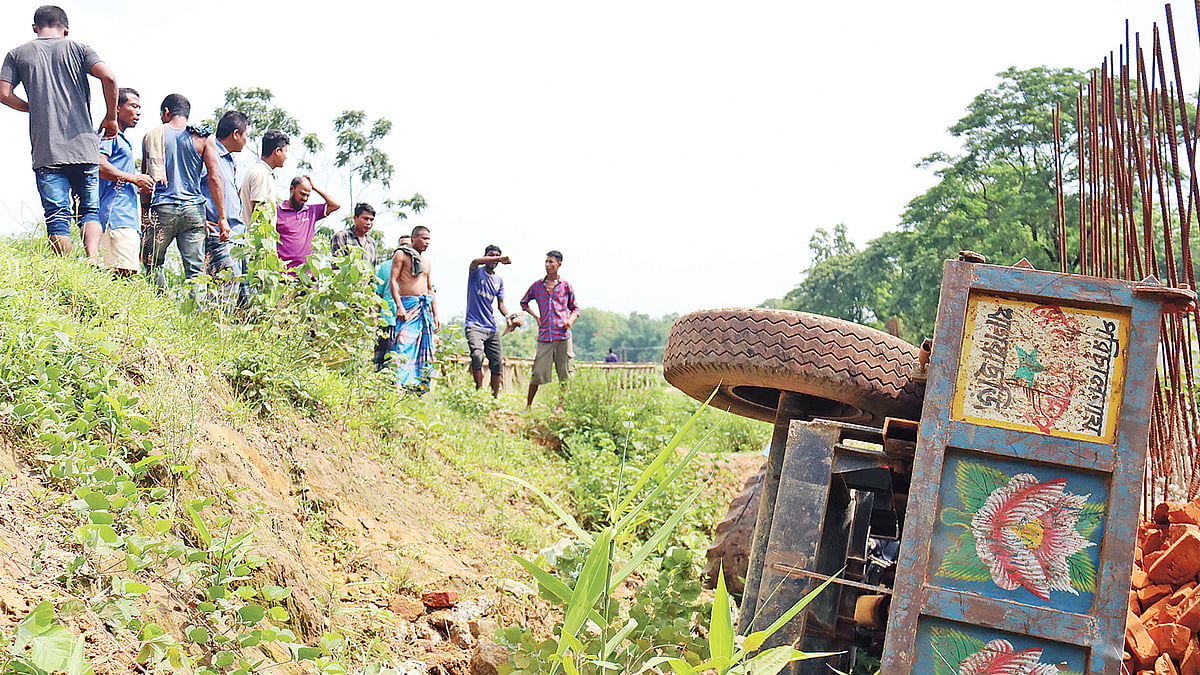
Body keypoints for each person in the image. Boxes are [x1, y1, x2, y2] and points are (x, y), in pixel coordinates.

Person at [0, 5, 118, 259]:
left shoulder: (17, 54)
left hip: (47, 150)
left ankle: (65, 266)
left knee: (57, 216)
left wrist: (32, 107)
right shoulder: (79, 49)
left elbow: (4, 93)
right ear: (66, 29)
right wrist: (111, 117)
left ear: (35, 27)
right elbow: (108, 77)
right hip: (84, 148)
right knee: (89, 211)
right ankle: (93, 260)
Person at [140, 93, 228, 297]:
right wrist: (222, 218)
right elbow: (214, 178)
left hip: (162, 208)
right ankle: (195, 316)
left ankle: (159, 305)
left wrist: (145, 213)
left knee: (152, 262)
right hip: (194, 211)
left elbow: (146, 182)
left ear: (166, 112)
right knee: (196, 272)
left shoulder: (152, 136)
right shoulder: (203, 139)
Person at [96, 87, 152, 277]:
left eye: (139, 107)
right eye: (133, 106)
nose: (138, 112)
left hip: (126, 217)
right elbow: (99, 165)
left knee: (125, 274)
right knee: (121, 276)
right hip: (116, 217)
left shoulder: (122, 140)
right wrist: (134, 179)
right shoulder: (109, 135)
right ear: (117, 108)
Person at [201, 111, 249, 308]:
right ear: (236, 134)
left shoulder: (230, 160)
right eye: (246, 135)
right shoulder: (210, 153)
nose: (247, 141)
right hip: (219, 235)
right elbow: (194, 187)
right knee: (222, 295)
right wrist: (200, 219)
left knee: (243, 297)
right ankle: (214, 333)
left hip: (237, 237)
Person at [520, 250, 579, 410]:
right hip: (545, 335)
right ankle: (528, 406)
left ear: (559, 264)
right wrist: (536, 317)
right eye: (546, 262)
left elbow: (575, 308)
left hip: (562, 335)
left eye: (551, 262)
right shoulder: (538, 286)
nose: (548, 265)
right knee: (537, 372)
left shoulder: (565, 286)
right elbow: (524, 302)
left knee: (565, 373)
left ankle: (561, 406)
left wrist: (570, 321)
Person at [389, 225, 440, 393]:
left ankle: (420, 384)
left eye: (429, 239)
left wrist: (435, 314)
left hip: (424, 306)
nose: (426, 242)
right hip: (408, 305)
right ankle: (398, 383)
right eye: (423, 238)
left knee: (425, 346)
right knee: (402, 342)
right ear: (413, 238)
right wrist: (399, 306)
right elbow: (393, 281)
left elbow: (429, 287)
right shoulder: (401, 254)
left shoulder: (426, 261)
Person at [465, 245, 520, 397]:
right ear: (486, 256)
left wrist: (509, 317)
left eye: (496, 256)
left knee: (496, 363)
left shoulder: (498, 280)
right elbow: (475, 261)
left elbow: (500, 304)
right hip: (474, 324)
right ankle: (479, 392)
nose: (494, 259)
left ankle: (494, 397)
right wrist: (500, 258)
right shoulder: (476, 272)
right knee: (477, 355)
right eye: (491, 255)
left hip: (491, 326)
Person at [275, 175, 338, 268]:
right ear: (292, 189)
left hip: (308, 274)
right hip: (285, 274)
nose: (305, 198)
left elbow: (335, 205)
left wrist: (314, 187)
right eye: (302, 194)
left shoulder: (311, 211)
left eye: (308, 195)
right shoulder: (277, 212)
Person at [373, 234, 410, 371]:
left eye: (408, 245)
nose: (405, 248)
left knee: (402, 359)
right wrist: (376, 316)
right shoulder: (386, 266)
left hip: (407, 320)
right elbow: (379, 293)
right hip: (387, 319)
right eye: (402, 245)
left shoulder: (418, 267)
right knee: (382, 359)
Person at [241, 129, 287, 229]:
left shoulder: (260, 171)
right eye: (285, 152)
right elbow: (258, 211)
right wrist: (264, 241)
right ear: (277, 151)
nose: (286, 157)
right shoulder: (260, 173)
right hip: (256, 241)